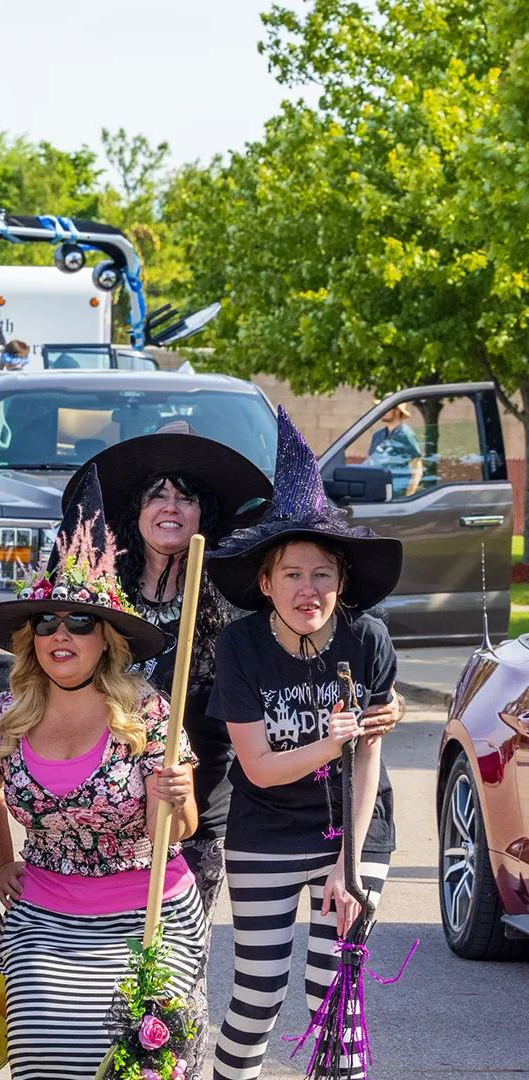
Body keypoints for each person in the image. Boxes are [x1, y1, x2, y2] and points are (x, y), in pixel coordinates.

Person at [0, 466, 203, 1080]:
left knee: (136, 1064)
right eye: (46, 622)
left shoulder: (148, 712)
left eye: (79, 622)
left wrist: (173, 797)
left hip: (147, 911)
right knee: (45, 1051)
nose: (60, 634)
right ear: (30, 638)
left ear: (107, 639)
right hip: (44, 914)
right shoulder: (6, 716)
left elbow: (177, 830)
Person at [203, 409, 405, 1080]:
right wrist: (331, 740)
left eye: (323, 574)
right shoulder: (237, 646)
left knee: (336, 994)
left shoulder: (367, 639)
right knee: (258, 994)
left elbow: (369, 755)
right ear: (265, 584)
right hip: (265, 828)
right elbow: (256, 769)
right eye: (291, 574)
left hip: (351, 831)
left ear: (342, 583)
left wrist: (351, 863)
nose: (308, 590)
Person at [74, 420, 275, 924]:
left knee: (173, 972)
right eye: (156, 496)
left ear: (203, 514)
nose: (170, 507)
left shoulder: (237, 606)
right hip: (101, 818)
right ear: (134, 513)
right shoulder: (98, 600)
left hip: (197, 816)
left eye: (185, 498)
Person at [366, 401, 425, 496]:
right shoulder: (377, 435)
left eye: (386, 408)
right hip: (376, 494)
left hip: (397, 495)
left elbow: (417, 469)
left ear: (397, 411)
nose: (382, 411)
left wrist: (408, 496)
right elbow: (370, 464)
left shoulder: (406, 434)